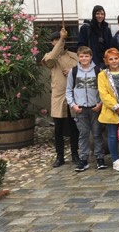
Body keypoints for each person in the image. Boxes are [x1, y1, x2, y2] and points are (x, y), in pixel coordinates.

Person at [42, 28, 79, 168]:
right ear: (52, 43)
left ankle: (75, 154)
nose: (59, 42)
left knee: (74, 128)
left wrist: (73, 71)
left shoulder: (74, 56)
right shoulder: (49, 57)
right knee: (58, 129)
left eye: (61, 39)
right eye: (56, 40)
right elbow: (51, 59)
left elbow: (85, 68)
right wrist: (61, 39)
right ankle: (60, 156)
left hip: (74, 96)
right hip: (58, 96)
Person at [65, 45, 105, 171]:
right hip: (80, 108)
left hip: (95, 107)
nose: (84, 59)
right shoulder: (74, 71)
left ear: (91, 57)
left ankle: (100, 158)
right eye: (81, 56)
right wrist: (73, 104)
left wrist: (100, 103)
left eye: (86, 56)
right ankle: (83, 159)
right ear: (78, 57)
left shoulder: (98, 70)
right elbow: (69, 90)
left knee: (97, 133)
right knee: (83, 134)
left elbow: (103, 89)